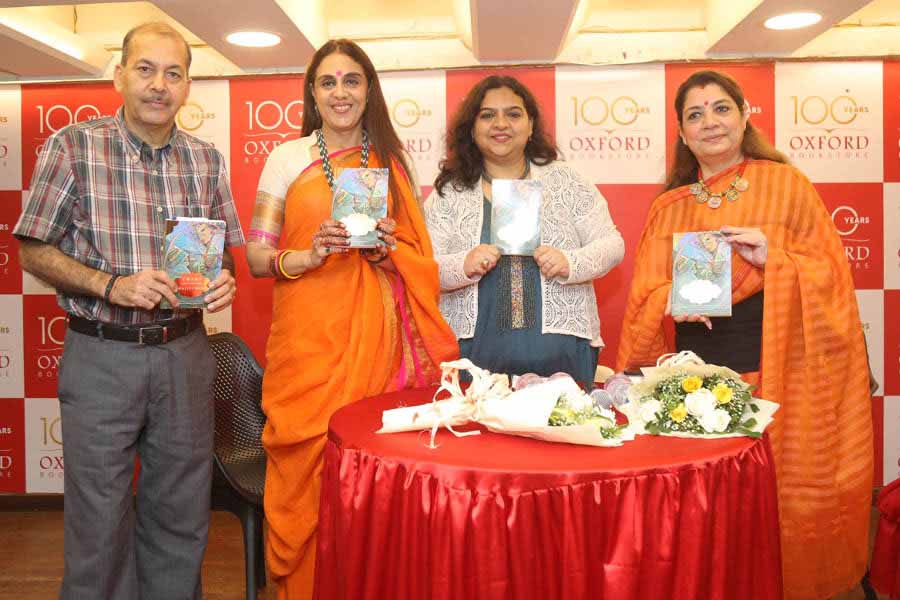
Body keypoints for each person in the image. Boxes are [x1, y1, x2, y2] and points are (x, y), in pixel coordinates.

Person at [616, 70, 872, 600]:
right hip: (693, 380)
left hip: (777, 369)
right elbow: (644, 293)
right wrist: (667, 299)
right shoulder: (670, 207)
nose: (710, 122)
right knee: (707, 503)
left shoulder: (786, 185)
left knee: (774, 498)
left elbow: (830, 276)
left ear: (743, 115)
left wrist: (771, 258)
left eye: (720, 108)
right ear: (682, 136)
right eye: (695, 114)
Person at [12, 22, 243, 600]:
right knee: (98, 522)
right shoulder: (73, 147)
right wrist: (110, 286)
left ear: (189, 85)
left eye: (173, 73)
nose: (159, 85)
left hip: (185, 354)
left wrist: (223, 284)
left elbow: (226, 260)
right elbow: (32, 248)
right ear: (119, 75)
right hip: (101, 354)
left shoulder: (205, 160)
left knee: (181, 516)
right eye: (145, 69)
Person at [245, 39, 458, 598]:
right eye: (328, 82)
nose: (341, 93)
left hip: (377, 349)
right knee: (305, 472)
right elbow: (257, 256)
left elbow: (421, 259)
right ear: (312, 93)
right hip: (307, 344)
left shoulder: (392, 162)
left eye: (352, 81)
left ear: (369, 90)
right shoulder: (287, 159)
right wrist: (308, 255)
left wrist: (389, 251)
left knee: (368, 472)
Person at [424, 75, 624, 385]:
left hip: (562, 356)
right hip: (473, 360)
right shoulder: (449, 194)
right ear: (472, 130)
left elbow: (612, 244)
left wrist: (571, 262)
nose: (500, 123)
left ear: (531, 126)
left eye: (513, 114)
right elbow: (423, 269)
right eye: (487, 115)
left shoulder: (565, 181)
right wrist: (461, 265)